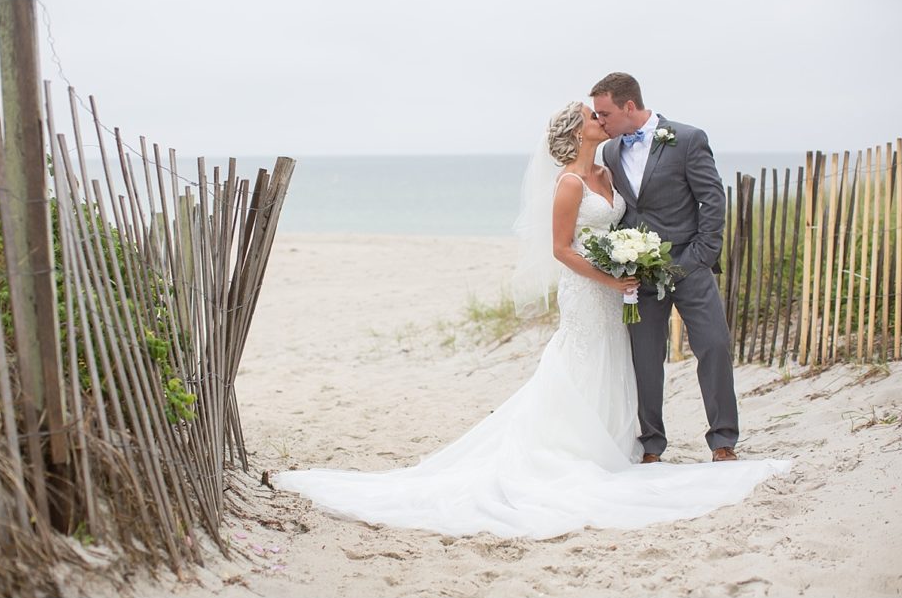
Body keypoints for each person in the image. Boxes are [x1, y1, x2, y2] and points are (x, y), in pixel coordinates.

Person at [271, 102, 788, 539]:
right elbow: (561, 249)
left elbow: (638, 214)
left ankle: (638, 445)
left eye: (601, 111)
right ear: (576, 130)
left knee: (623, 363)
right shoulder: (568, 183)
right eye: (592, 116)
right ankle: (594, 450)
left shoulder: (607, 168)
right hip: (591, 290)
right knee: (584, 362)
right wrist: (611, 279)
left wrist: (634, 260)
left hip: (625, 287)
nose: (601, 121)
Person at [591, 72, 739, 464]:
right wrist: (619, 258)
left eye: (604, 113)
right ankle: (651, 444)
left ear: (628, 106)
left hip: (690, 265)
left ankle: (723, 439)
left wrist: (701, 255)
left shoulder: (688, 139)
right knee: (644, 358)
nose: (600, 121)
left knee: (714, 346)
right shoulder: (608, 153)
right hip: (640, 274)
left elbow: (712, 199)